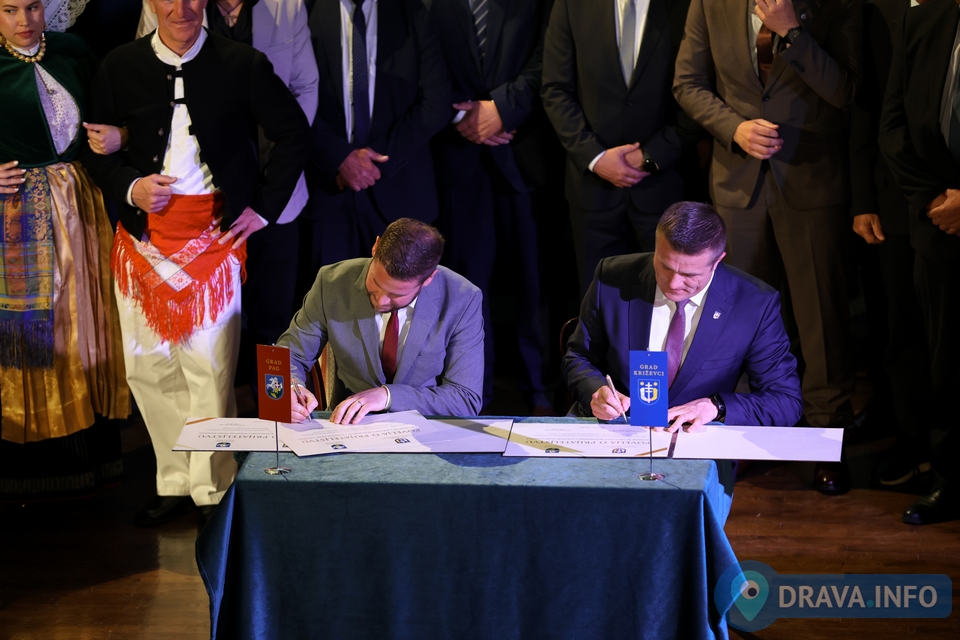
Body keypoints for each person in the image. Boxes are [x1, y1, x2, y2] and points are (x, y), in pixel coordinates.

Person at [83, 0, 309, 525]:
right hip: (141, 241)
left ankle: (212, 486)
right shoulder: (119, 64)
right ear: (151, 3)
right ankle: (174, 480)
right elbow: (95, 148)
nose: (181, 7)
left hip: (214, 239)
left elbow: (294, 133)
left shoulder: (242, 63)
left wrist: (264, 208)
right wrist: (131, 187)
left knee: (209, 370)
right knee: (147, 367)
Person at [672, 0, 861, 494]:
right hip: (738, 184)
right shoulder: (710, 3)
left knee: (822, 320)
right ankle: (738, 435)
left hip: (813, 181)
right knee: (734, 320)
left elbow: (847, 91)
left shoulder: (837, 4)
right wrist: (732, 128)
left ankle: (826, 440)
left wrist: (791, 32)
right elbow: (687, 83)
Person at [563, 201, 803, 507]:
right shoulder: (612, 276)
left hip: (695, 445)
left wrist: (716, 406)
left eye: (689, 274)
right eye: (665, 266)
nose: (674, 283)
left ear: (717, 262)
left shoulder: (754, 303)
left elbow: (786, 401)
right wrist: (595, 391)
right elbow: (579, 357)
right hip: (614, 434)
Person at [135, 0, 320, 386]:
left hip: (274, 196)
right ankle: (220, 415)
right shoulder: (171, 5)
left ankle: (273, 413)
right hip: (201, 203)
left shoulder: (286, 6)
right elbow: (150, 89)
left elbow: (304, 90)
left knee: (273, 321)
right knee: (207, 328)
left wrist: (271, 186)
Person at [0, 0, 130, 499]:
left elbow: (112, 113)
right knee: (36, 328)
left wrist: (121, 136)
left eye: (33, 7)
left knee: (87, 322)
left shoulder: (73, 51)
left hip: (81, 204)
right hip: (17, 212)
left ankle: (94, 454)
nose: (24, 21)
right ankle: (33, 464)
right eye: (10, 10)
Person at [430, 0, 555, 411]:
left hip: (526, 152)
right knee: (467, 287)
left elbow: (550, 53)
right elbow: (421, 61)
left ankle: (540, 392)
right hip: (456, 156)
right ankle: (472, 394)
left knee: (535, 283)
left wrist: (502, 108)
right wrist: (462, 117)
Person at [541, 0, 698, 295]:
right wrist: (595, 156)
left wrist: (651, 156)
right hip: (592, 189)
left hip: (666, 187)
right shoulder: (572, 4)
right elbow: (556, 88)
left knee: (669, 303)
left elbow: (699, 89)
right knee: (598, 303)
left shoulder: (689, 4)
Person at [879, 0, 960, 524]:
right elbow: (893, 129)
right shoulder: (922, 21)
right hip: (938, 229)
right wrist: (933, 200)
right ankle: (950, 483)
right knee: (945, 365)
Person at [280, 218, 484, 424]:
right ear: (375, 247)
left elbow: (465, 398)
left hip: (425, 428)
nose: (380, 301)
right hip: (348, 427)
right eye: (375, 283)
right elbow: (289, 355)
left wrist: (387, 396)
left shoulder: (462, 299)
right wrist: (290, 389)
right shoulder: (332, 282)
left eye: (396, 295)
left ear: (428, 279)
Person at [301, 0, 450, 273]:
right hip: (327, 190)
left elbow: (436, 103)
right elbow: (289, 97)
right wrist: (339, 157)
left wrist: (372, 163)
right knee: (330, 298)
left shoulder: (412, 10)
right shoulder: (302, 9)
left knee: (402, 299)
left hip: (401, 192)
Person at [850, 0, 933, 488]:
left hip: (949, 191)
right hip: (894, 198)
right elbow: (868, 105)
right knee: (902, 332)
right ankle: (913, 445)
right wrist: (863, 198)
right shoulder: (879, 10)